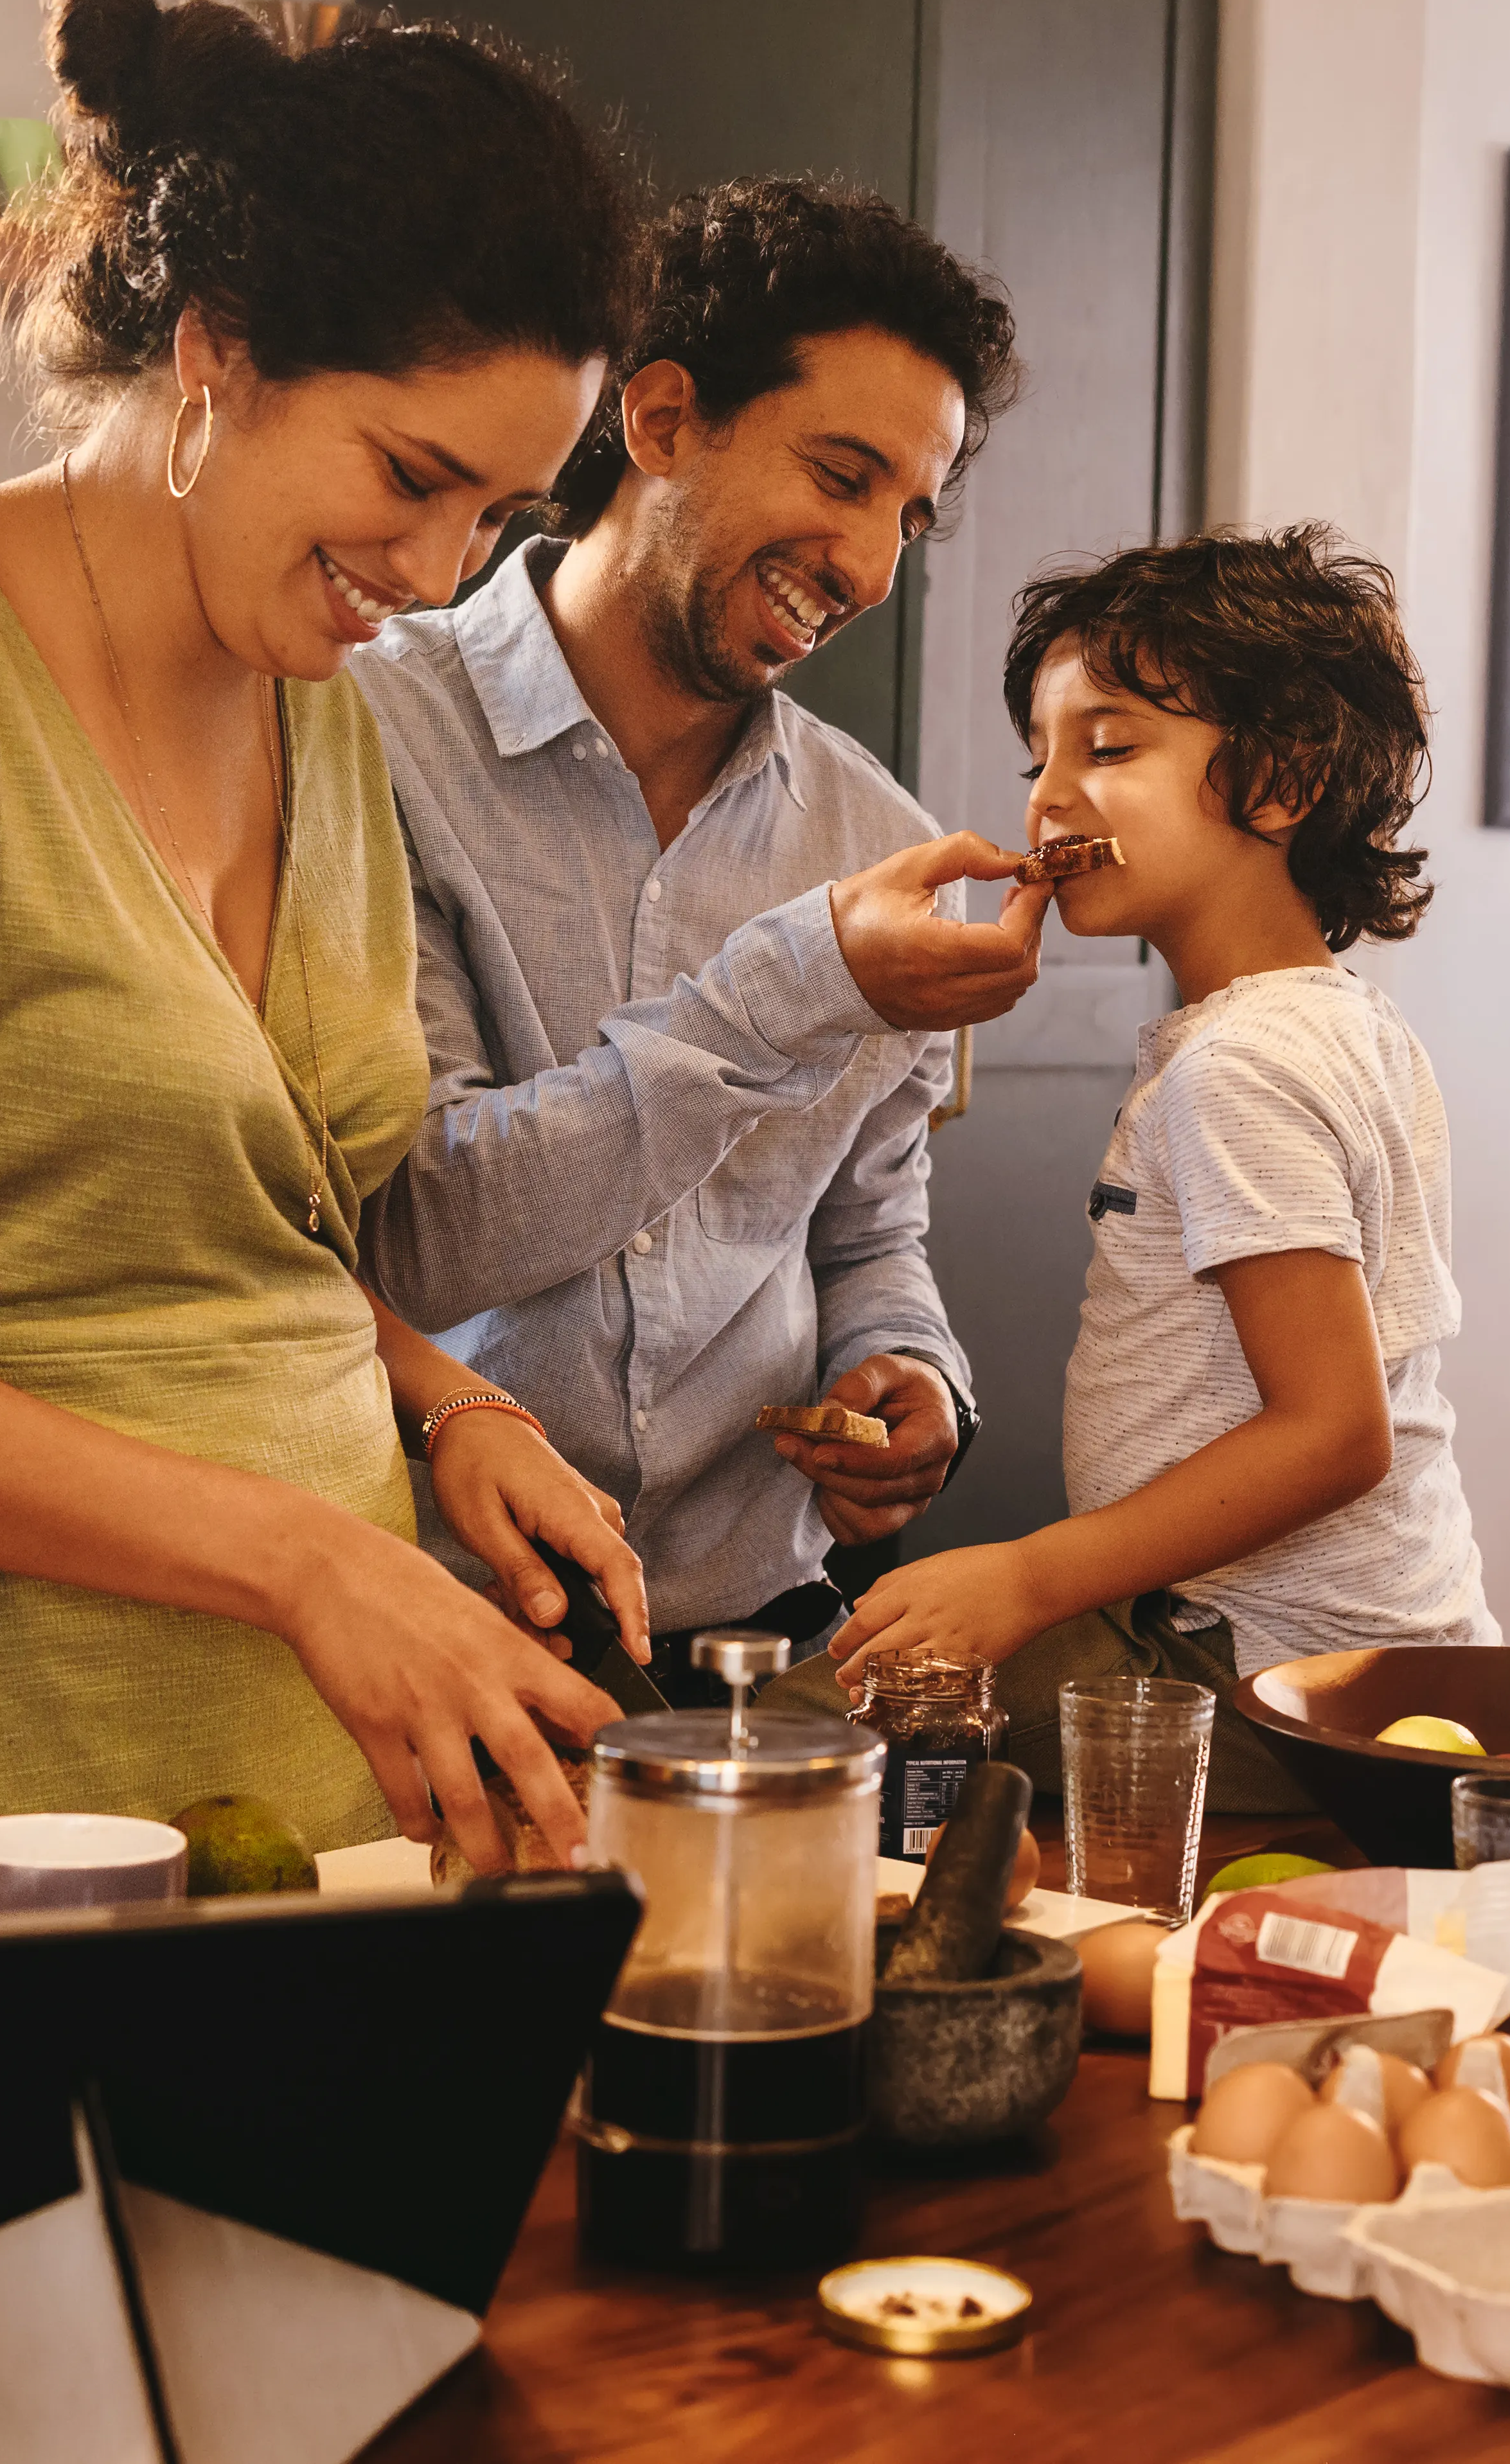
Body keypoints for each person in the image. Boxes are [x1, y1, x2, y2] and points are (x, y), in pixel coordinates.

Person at [0, 0, 653, 1929]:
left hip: (279, 1803)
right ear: (214, 347)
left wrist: (443, 1399)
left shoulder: (318, 705)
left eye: (500, 515)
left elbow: (197, 1230)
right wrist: (307, 1560)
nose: (437, 577)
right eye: (411, 476)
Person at [356, 178, 1037, 1699]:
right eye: (841, 475)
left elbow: (868, 1235)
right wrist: (795, 986)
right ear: (660, 419)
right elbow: (417, 1232)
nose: (868, 566)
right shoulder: (362, 736)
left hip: (755, 1642)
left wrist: (915, 1381)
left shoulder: (872, 839)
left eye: (907, 518)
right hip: (430, 1639)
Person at [830, 524, 1484, 1812]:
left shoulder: (1234, 1069)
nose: (1047, 799)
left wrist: (1026, 1578)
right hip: (1339, 1656)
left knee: (817, 1745)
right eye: (1040, 757)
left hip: (1248, 1669)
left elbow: (1333, 1432)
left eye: (1111, 747)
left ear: (1282, 784)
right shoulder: (1339, 1021)